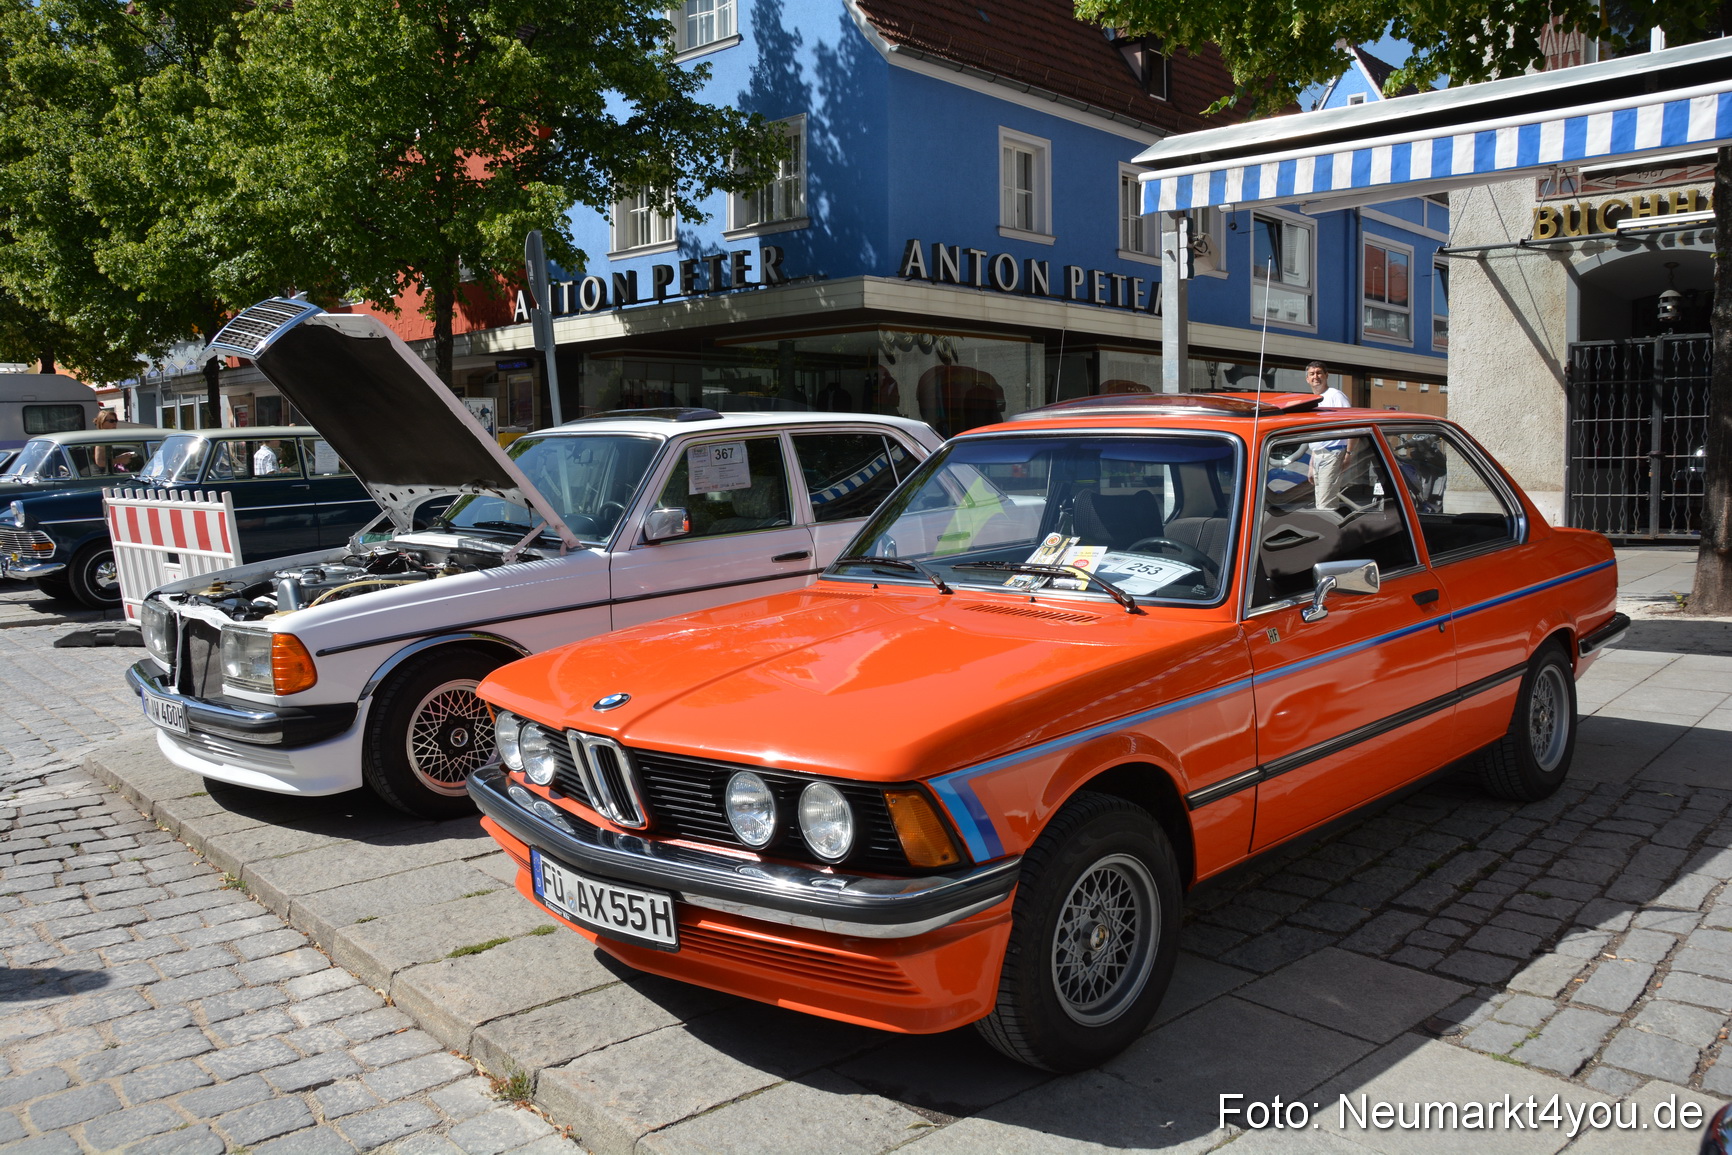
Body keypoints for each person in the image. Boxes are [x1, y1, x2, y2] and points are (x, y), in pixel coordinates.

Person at [1306, 361, 1353, 508]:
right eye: (1312, 374)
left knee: (1325, 505)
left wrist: (1349, 453)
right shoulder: (1311, 401)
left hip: (1333, 454)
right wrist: (1311, 464)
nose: (1316, 377)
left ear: (1327, 375)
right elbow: (1316, 436)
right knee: (1320, 503)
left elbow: (1353, 425)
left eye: (1319, 373)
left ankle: (1328, 531)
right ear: (1307, 379)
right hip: (1318, 456)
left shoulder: (1335, 395)